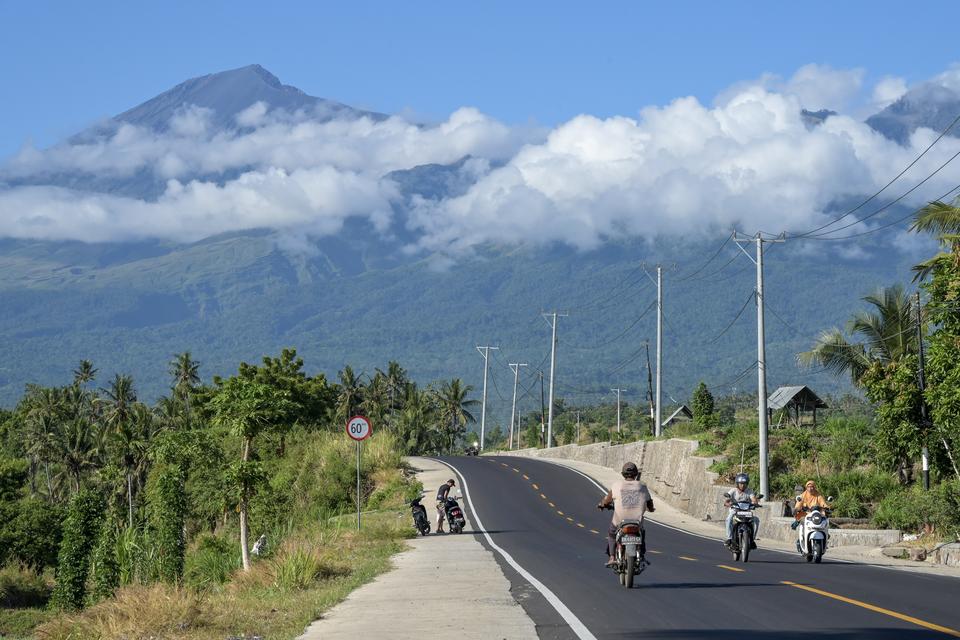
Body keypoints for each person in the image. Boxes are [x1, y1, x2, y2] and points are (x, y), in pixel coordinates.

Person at [598, 462, 655, 567]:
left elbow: (606, 501)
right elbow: (649, 502)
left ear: (623, 474)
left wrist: (602, 505)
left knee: (611, 533)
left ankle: (612, 557)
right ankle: (641, 555)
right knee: (641, 533)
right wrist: (651, 509)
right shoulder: (642, 485)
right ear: (636, 473)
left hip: (620, 521)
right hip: (637, 522)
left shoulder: (616, 485)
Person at [724, 472, 760, 549]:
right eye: (740, 483)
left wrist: (755, 503)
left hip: (747, 512)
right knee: (729, 519)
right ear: (737, 483)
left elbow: (753, 499)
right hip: (735, 510)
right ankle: (729, 538)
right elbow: (727, 500)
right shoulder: (733, 491)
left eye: (744, 483)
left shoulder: (749, 491)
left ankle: (752, 540)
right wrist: (728, 503)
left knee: (756, 520)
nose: (742, 485)